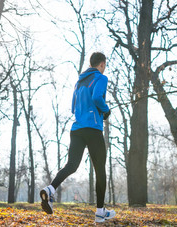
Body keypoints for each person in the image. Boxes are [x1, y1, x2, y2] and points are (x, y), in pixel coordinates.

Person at [40, 52, 115, 223]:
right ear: (102, 64)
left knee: (71, 165)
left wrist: (92, 110)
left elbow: (74, 108)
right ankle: (100, 212)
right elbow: (97, 97)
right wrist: (105, 110)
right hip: (93, 130)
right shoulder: (101, 78)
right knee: (100, 170)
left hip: (77, 129)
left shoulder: (79, 81)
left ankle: (50, 189)